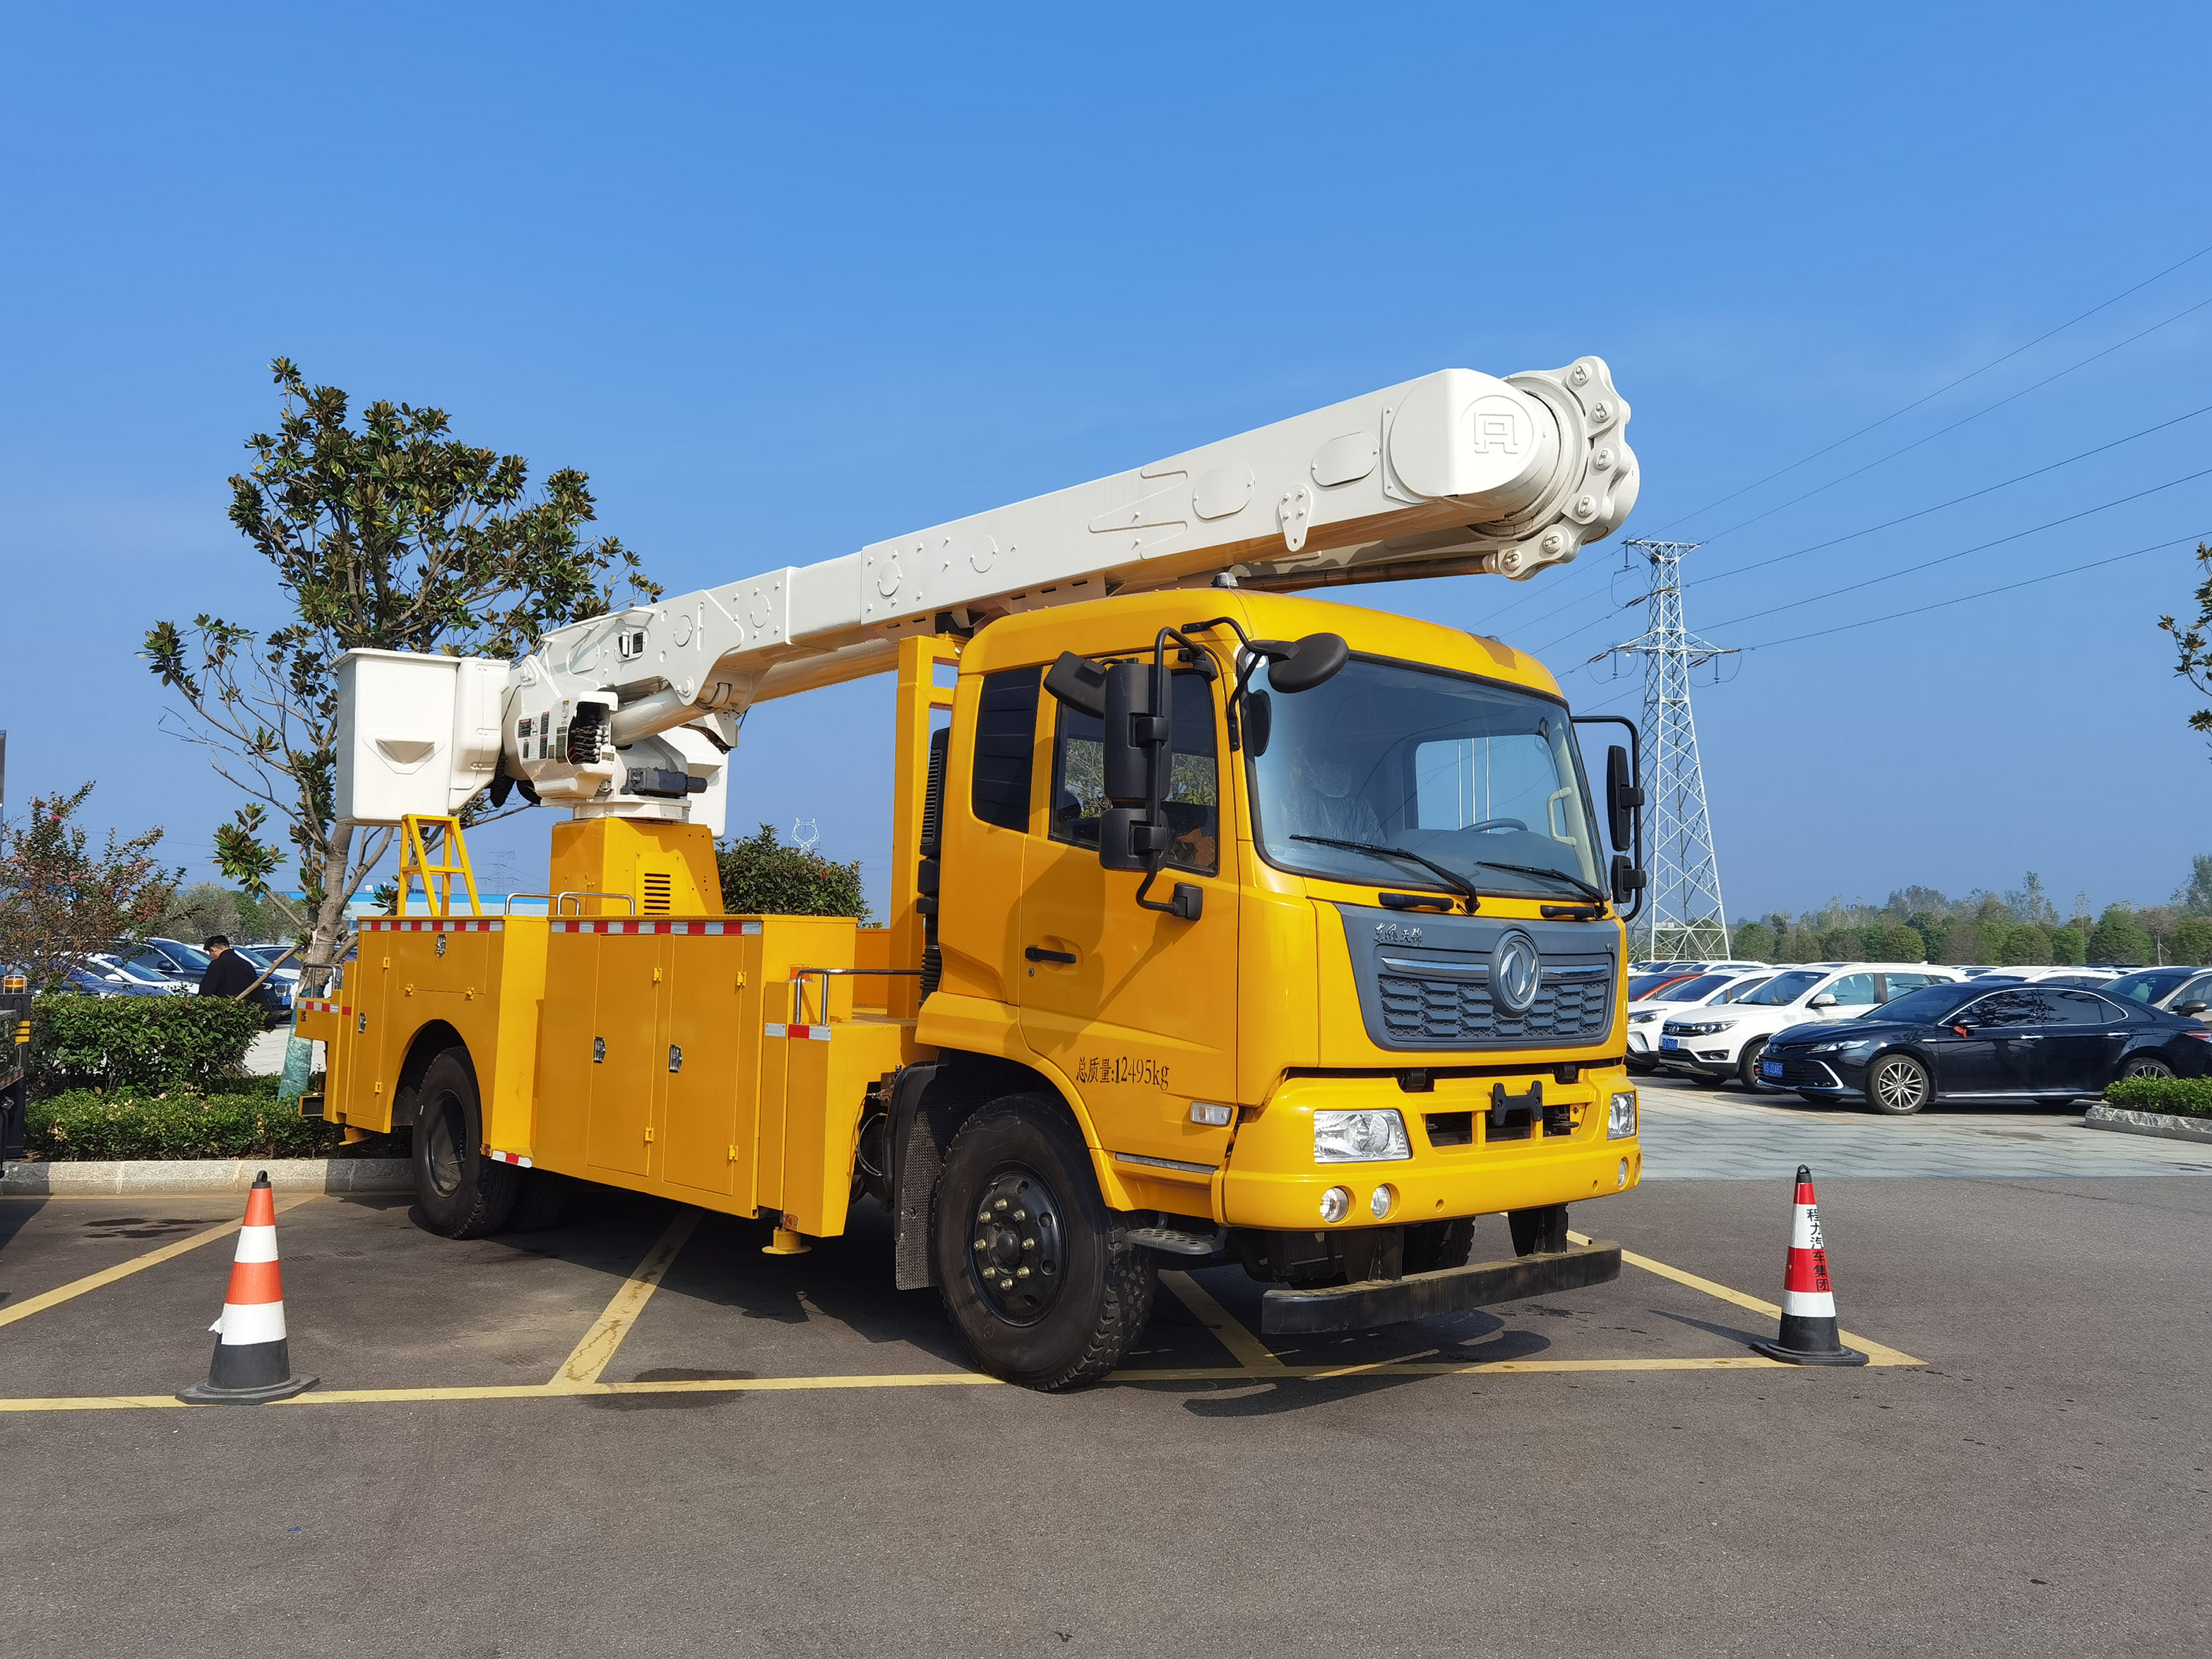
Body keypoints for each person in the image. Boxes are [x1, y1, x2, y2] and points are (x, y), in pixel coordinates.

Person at [197, 935, 265, 1003]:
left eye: (210, 953)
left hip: (224, 1008)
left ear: (213, 949)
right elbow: (257, 991)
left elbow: (207, 990)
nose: (211, 956)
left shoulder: (217, 964)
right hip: (245, 1008)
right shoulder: (246, 964)